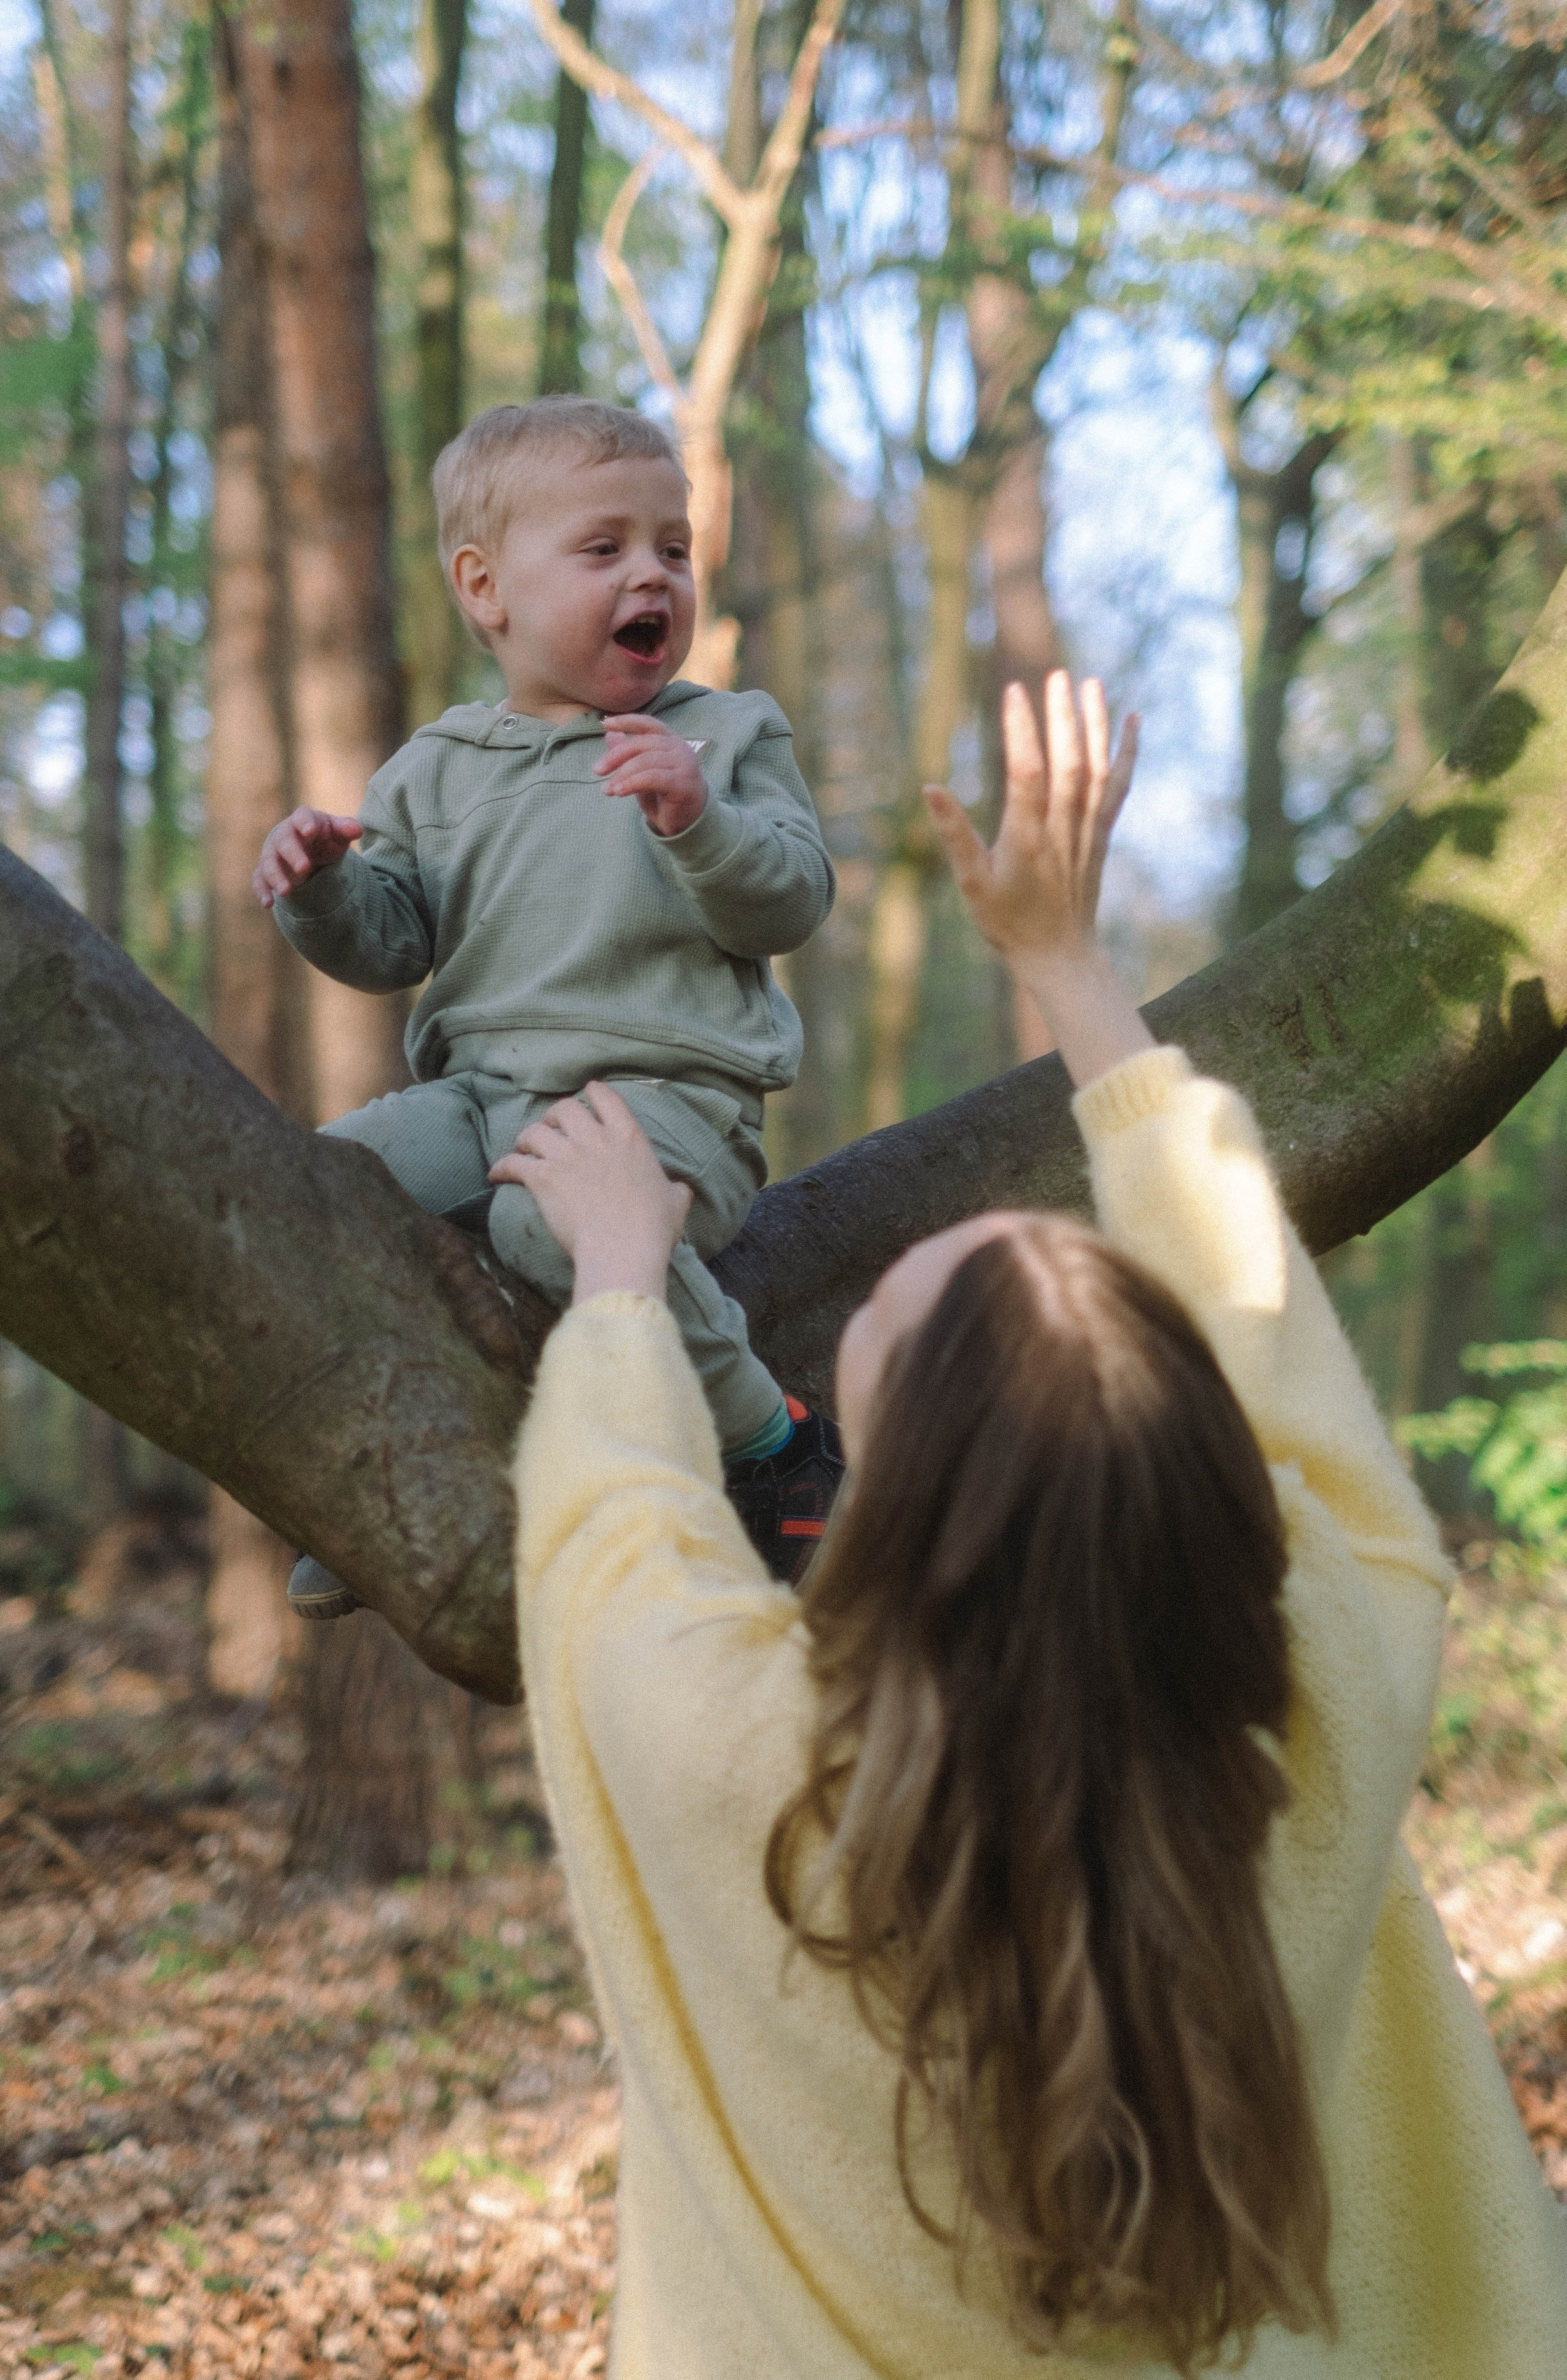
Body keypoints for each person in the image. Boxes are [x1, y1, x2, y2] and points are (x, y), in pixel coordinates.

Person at [495, 672, 1567, 2379]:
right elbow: (1274, 1348)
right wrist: (1075, 973)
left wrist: (620, 1276)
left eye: (889, 1316)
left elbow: (607, 1530)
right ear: (1213, 1493)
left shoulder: (741, 1764)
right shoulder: (1312, 1715)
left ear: (892, 1486)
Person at [252, 398, 844, 1616]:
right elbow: (392, 941)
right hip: (476, 1099)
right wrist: (318, 891)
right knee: (325, 1189)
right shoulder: (436, 768)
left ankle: (774, 1441)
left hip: (665, 1099)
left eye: (673, 549)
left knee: (539, 1230)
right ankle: (371, 1480)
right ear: (486, 589)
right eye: (605, 549)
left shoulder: (723, 734)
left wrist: (700, 821)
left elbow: (790, 900)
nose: (654, 575)